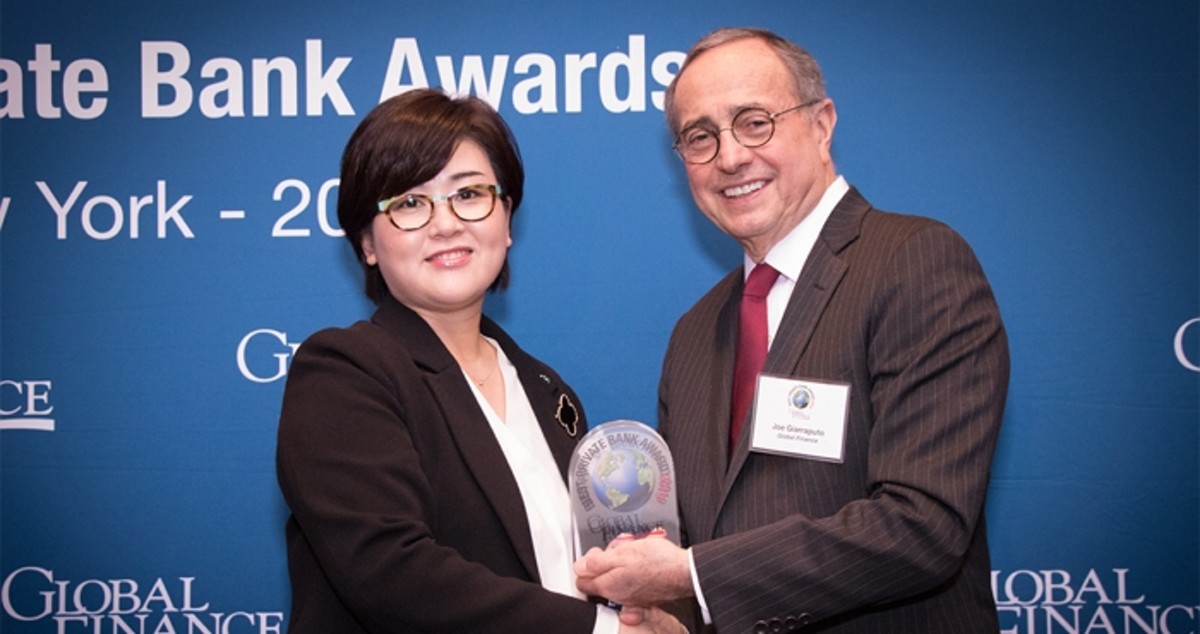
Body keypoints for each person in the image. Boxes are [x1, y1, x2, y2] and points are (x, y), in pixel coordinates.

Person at [575, 28, 1010, 633]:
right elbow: (709, 543)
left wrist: (691, 577)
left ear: (822, 124)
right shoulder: (694, 334)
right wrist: (675, 615)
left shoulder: (914, 263)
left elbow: (921, 525)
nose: (730, 157)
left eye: (755, 123)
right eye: (700, 137)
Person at [276, 89, 681, 633]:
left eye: (469, 194)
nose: (446, 224)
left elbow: (565, 578)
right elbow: (390, 572)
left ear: (506, 220)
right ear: (367, 242)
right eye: (410, 203)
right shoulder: (344, 372)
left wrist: (639, 612)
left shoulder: (548, 392)